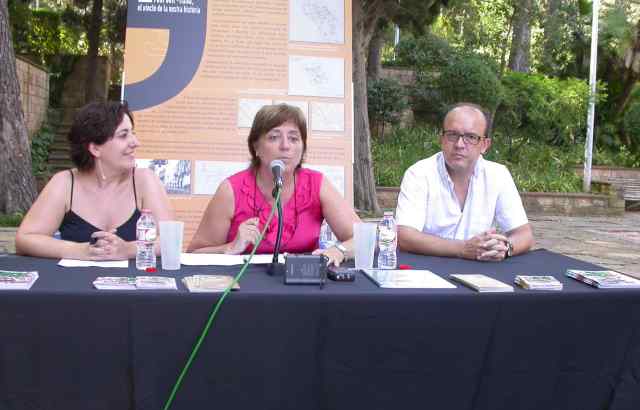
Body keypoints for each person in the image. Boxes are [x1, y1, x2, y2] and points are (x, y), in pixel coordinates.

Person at [188, 104, 360, 266]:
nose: (285, 146)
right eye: (274, 137)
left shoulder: (317, 184)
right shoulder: (231, 190)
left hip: (303, 282)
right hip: (244, 285)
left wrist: (339, 250)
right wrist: (230, 248)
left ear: (303, 148)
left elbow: (364, 239)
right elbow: (193, 254)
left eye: (294, 138)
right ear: (256, 147)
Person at [15, 101, 173, 260]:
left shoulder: (145, 181)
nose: (135, 143)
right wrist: (81, 250)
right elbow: (26, 239)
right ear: (95, 148)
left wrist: (127, 249)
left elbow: (169, 241)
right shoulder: (65, 183)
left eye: (133, 133)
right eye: (123, 135)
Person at [396, 103, 534, 261]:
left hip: (479, 268)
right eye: (452, 135)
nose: (459, 144)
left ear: (485, 145)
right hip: (427, 266)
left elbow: (524, 235)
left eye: (471, 137)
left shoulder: (498, 175)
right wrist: (462, 249)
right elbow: (404, 236)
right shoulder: (419, 174)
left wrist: (505, 247)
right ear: (441, 139)